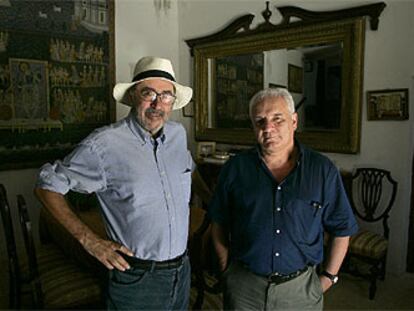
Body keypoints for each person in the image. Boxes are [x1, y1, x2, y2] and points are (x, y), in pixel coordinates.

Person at [35, 56, 194, 310]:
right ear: (132, 96)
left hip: (182, 272)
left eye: (166, 95)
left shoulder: (177, 135)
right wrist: (89, 240)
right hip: (136, 279)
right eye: (148, 93)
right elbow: (47, 185)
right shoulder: (104, 144)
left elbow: (186, 175)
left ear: (173, 101)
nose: (157, 103)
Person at [208, 87, 358, 310]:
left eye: (278, 119)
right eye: (260, 121)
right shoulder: (235, 168)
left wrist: (328, 277)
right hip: (244, 288)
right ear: (253, 127)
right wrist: (226, 270)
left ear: (294, 121)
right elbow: (218, 221)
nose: (268, 128)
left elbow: (342, 228)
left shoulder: (322, 170)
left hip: (300, 290)